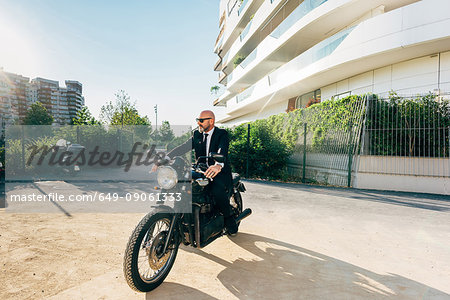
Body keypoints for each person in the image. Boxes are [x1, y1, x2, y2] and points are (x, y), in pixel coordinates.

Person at [163, 110, 238, 235]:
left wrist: (218, 165)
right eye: (197, 120)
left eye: (201, 120)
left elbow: (222, 149)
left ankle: (229, 220)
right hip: (201, 170)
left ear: (211, 121)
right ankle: (182, 219)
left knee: (216, 190)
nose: (199, 122)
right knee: (181, 185)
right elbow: (183, 147)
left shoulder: (221, 134)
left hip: (218, 171)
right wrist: (165, 158)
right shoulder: (197, 134)